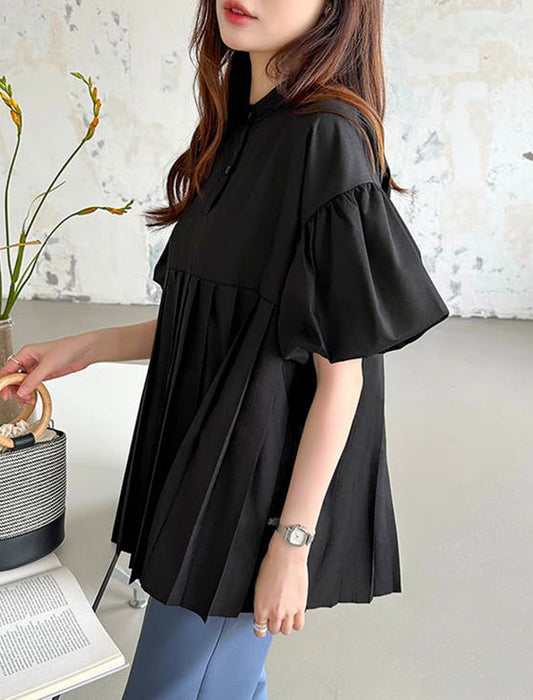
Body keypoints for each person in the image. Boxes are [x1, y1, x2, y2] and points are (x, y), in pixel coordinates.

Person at [0, 0, 450, 697]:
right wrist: (85, 346)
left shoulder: (326, 139)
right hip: (206, 465)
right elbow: (231, 324)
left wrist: (290, 545)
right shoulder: (241, 120)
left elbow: (344, 380)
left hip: (247, 494)